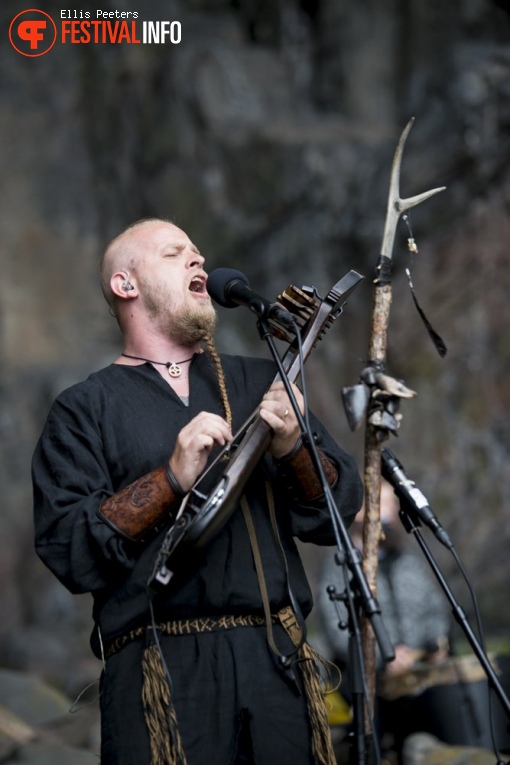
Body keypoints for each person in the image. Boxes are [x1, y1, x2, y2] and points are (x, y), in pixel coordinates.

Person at [32, 218, 364, 765]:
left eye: (198, 252)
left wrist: (292, 449)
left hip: (276, 659)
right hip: (158, 667)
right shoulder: (83, 409)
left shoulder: (264, 380)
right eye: (174, 252)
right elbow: (69, 548)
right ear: (126, 284)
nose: (197, 261)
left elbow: (337, 512)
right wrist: (170, 478)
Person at [316, 479, 450, 760]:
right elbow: (336, 626)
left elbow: (435, 608)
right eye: (382, 502)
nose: (389, 510)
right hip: (367, 677)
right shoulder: (340, 564)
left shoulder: (407, 560)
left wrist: (434, 642)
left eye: (391, 503)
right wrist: (384, 657)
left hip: (418, 669)